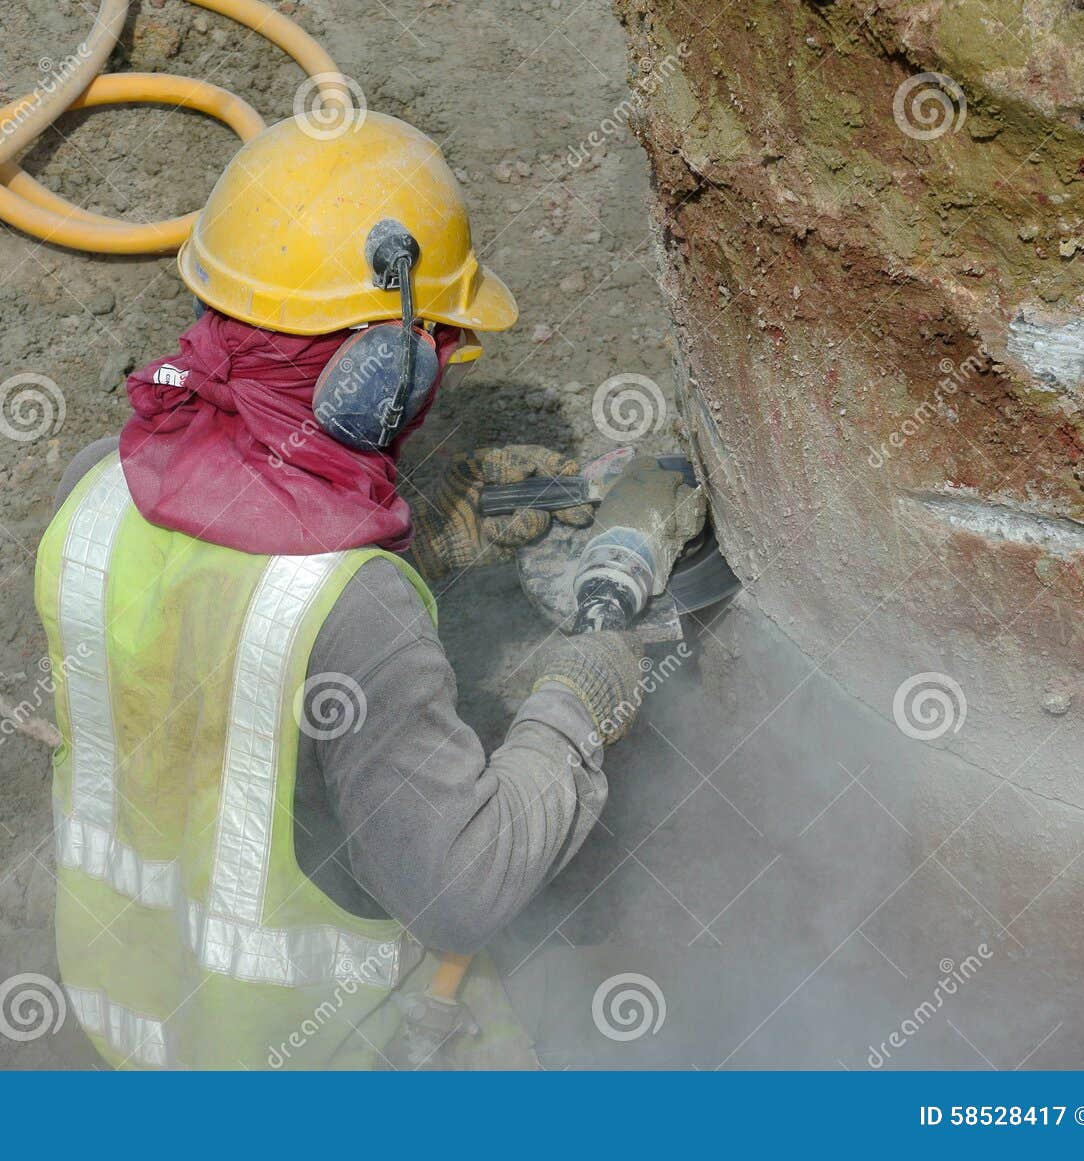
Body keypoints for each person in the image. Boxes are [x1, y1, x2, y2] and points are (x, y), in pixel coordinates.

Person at [35, 111, 653, 1069]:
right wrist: (573, 708)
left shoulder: (94, 493)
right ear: (381, 374)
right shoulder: (360, 616)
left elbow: (213, 621)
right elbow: (462, 887)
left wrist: (426, 543)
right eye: (435, 350)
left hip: (136, 1014)